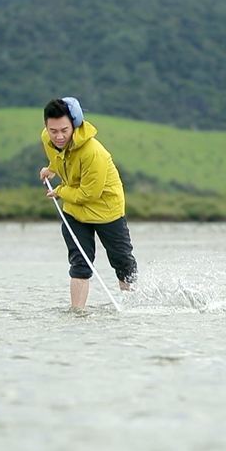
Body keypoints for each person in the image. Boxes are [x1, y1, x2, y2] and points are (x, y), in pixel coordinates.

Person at [38, 97, 137, 310]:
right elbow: (60, 157)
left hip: (106, 210)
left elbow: (89, 194)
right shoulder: (47, 138)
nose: (59, 136)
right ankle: (77, 313)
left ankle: (133, 306)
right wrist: (51, 169)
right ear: (46, 126)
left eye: (64, 130)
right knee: (80, 263)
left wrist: (60, 191)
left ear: (74, 124)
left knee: (122, 262)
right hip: (75, 210)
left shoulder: (94, 152)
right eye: (53, 130)